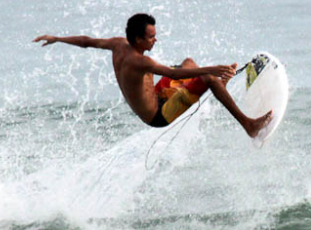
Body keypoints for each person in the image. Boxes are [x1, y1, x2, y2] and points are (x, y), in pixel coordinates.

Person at [33, 13, 272, 137]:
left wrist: (57, 38)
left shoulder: (119, 44)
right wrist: (213, 69)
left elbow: (87, 42)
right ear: (138, 39)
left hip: (156, 95)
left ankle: (219, 87)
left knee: (188, 63)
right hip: (158, 114)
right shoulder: (140, 61)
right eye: (150, 37)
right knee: (207, 77)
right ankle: (248, 124)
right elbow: (167, 71)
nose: (155, 39)